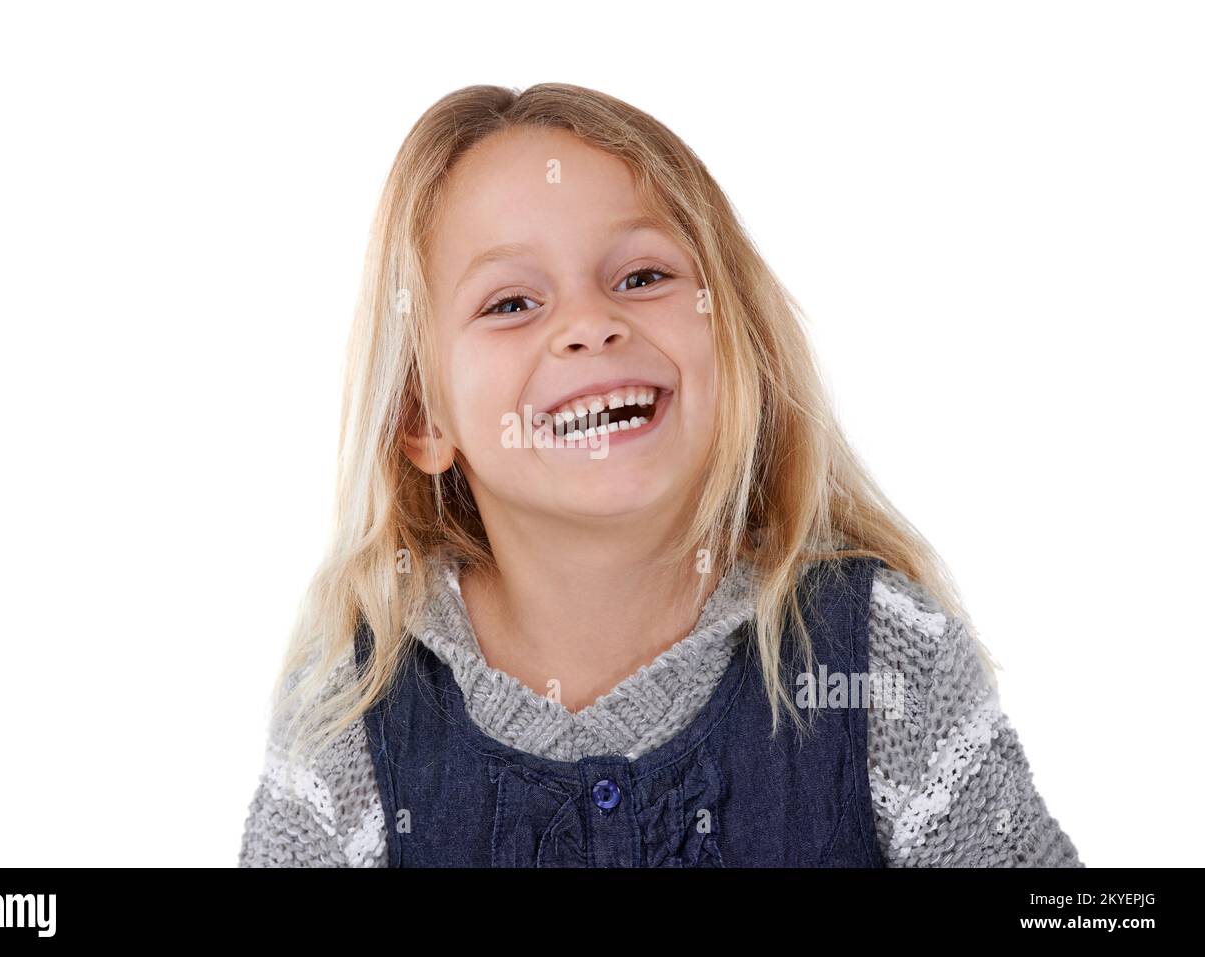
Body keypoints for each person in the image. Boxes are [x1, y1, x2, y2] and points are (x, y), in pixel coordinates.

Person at [238, 83, 1082, 868]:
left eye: (642, 277)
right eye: (510, 303)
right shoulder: (353, 705)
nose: (589, 324)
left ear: (736, 344)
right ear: (423, 418)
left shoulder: (884, 652)